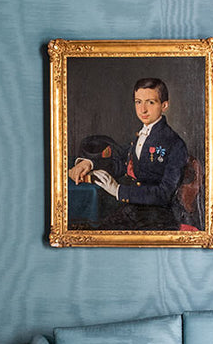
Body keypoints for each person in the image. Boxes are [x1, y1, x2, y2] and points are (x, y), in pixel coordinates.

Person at [68, 77, 189, 230]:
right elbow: (122, 164)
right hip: (132, 210)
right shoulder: (141, 134)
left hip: (157, 217)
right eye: (138, 102)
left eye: (150, 102)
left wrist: (118, 190)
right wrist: (89, 163)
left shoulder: (175, 143)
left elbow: (164, 193)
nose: (143, 109)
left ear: (164, 105)